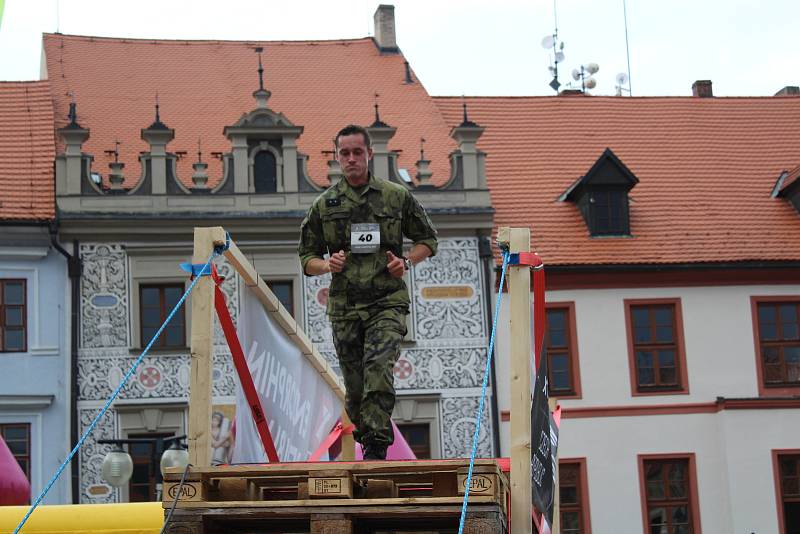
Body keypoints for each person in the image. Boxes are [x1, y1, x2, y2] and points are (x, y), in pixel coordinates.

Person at [298, 124, 438, 460]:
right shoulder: (325, 205)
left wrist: (406, 261)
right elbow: (306, 258)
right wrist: (326, 264)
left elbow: (428, 241)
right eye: (344, 153)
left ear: (369, 154)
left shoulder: (395, 196)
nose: (351, 159)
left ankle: (376, 447)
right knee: (356, 388)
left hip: (386, 302)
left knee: (378, 367)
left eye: (357, 152)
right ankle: (368, 439)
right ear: (336, 157)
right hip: (345, 307)